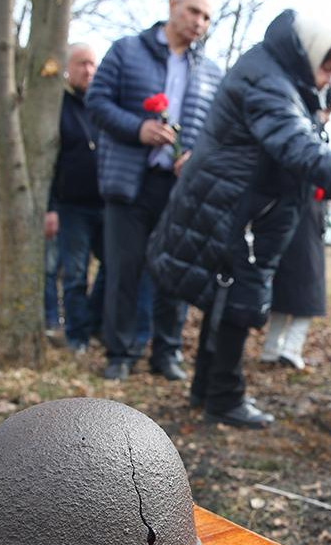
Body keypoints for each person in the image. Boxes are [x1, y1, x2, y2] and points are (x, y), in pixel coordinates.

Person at [148, 9, 331, 428]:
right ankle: (224, 398)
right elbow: (293, 142)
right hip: (234, 208)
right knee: (237, 299)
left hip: (240, 206)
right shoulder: (267, 79)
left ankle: (207, 389)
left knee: (226, 297)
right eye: (327, 68)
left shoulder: (280, 76)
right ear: (309, 54)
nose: (328, 80)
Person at [87, 0, 223, 382]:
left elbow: (217, 130)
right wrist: (138, 128)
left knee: (174, 272)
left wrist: (195, 156)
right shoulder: (126, 50)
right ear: (173, 6)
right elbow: (97, 102)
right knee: (123, 269)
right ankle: (120, 352)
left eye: (207, 17)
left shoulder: (211, 72)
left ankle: (167, 352)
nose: (199, 22)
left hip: (179, 189)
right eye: (194, 11)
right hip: (129, 183)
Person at [259, 87, 331, 369]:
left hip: (305, 220)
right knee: (306, 291)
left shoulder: (317, 136)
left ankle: (276, 347)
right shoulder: (306, 136)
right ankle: (288, 347)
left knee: (290, 289)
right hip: (300, 220)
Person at [46, 44, 107, 354]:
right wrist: (50, 208)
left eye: (93, 64)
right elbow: (48, 165)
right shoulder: (56, 106)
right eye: (82, 63)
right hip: (71, 205)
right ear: (68, 68)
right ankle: (77, 335)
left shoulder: (102, 106)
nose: (89, 70)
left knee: (112, 266)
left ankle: (94, 321)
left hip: (106, 202)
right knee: (74, 274)